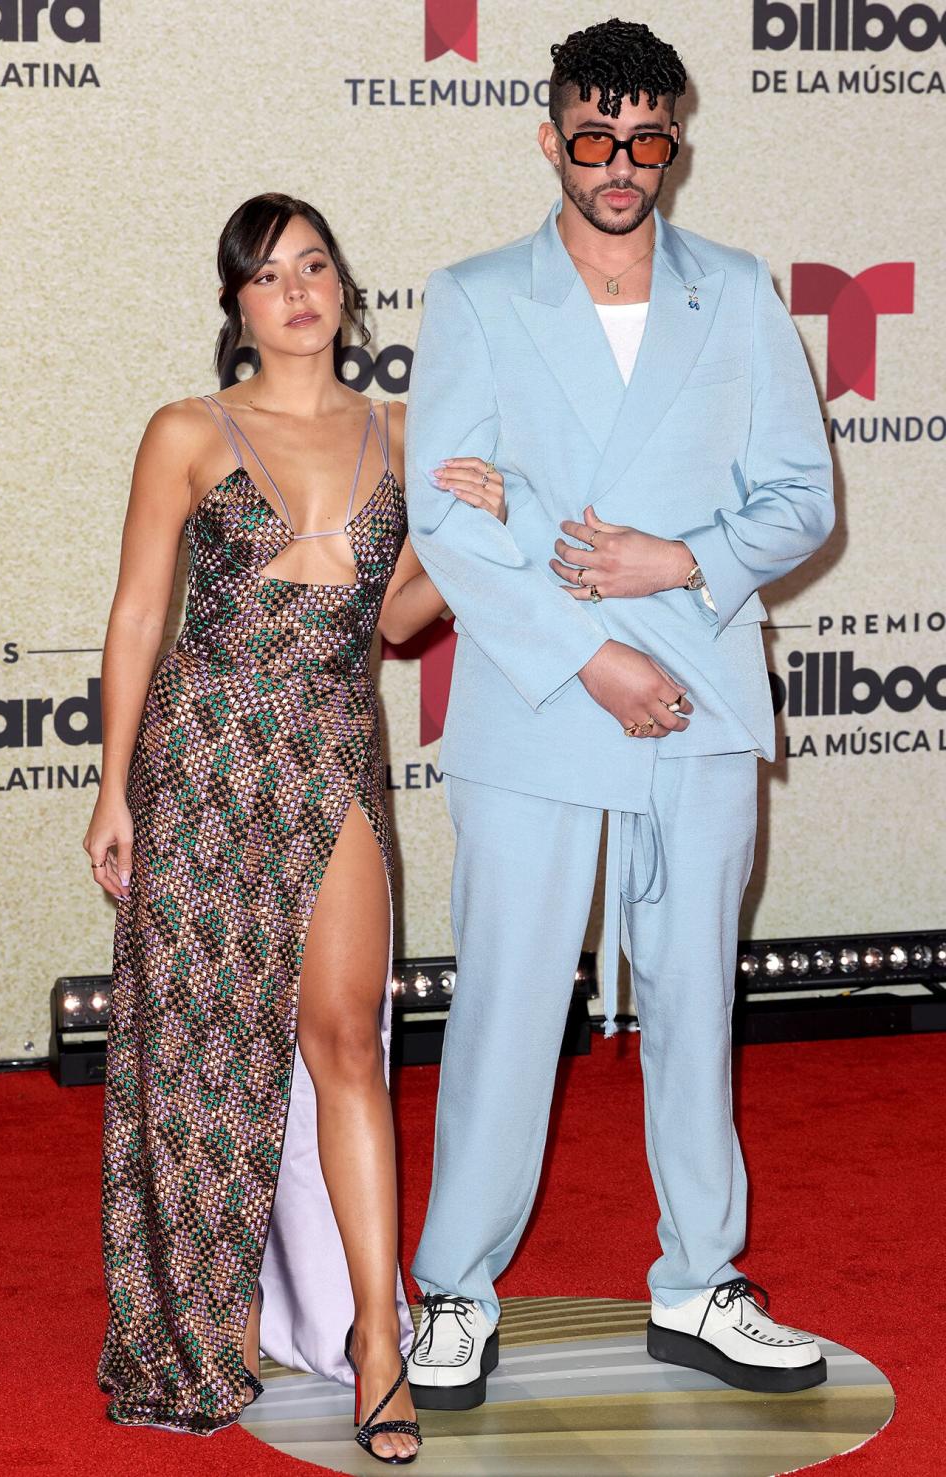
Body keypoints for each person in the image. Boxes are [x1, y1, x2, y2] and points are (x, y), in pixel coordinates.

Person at [404, 18, 835, 1409]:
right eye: (593, 136)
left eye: (646, 140)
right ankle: (454, 1293)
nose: (619, 164)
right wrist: (594, 651)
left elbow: (802, 499)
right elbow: (446, 525)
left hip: (703, 691)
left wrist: (680, 561)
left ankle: (700, 1283)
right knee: (510, 1008)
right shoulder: (476, 296)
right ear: (551, 138)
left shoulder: (739, 290)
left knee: (698, 1002)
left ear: (674, 147)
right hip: (543, 700)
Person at [83, 192, 504, 1460]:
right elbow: (139, 616)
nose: (299, 291)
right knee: (200, 1064)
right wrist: (112, 785)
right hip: (203, 755)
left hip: (329, 750)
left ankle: (380, 1338)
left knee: (348, 1048)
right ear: (238, 309)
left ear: (344, 286)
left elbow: (391, 621)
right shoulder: (188, 432)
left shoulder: (402, 432)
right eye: (269, 277)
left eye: (315, 265)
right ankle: (196, 1329)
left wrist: (470, 528)